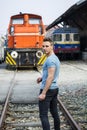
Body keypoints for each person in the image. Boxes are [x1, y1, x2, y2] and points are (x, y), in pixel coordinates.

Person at [37, 37, 60, 130]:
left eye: (47, 46)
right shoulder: (55, 58)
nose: (44, 48)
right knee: (54, 113)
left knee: (43, 115)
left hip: (48, 90)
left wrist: (43, 93)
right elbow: (50, 74)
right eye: (43, 46)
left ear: (52, 47)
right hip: (54, 89)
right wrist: (42, 78)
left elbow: (50, 77)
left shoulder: (50, 60)